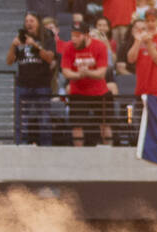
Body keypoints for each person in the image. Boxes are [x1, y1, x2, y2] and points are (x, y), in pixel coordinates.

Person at [6, 11, 56, 146]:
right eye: (27, 21)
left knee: (44, 119)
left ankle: (46, 147)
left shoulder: (47, 38)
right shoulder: (20, 39)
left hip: (42, 85)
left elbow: (50, 58)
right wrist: (13, 45)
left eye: (32, 21)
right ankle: (20, 145)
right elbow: (9, 61)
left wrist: (34, 45)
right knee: (21, 120)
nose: (29, 24)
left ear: (38, 23)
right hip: (23, 85)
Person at [62, 20, 112, 146]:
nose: (74, 39)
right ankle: (79, 154)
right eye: (73, 35)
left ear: (87, 35)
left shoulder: (99, 46)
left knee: (105, 124)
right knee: (77, 126)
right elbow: (66, 72)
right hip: (78, 91)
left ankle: (109, 151)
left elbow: (101, 73)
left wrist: (87, 73)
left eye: (77, 36)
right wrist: (79, 75)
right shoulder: (68, 47)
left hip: (99, 91)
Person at [128, 8, 157, 97]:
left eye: (153, 20)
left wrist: (149, 43)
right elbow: (131, 59)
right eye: (147, 21)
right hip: (141, 91)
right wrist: (137, 41)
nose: (150, 23)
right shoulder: (141, 37)